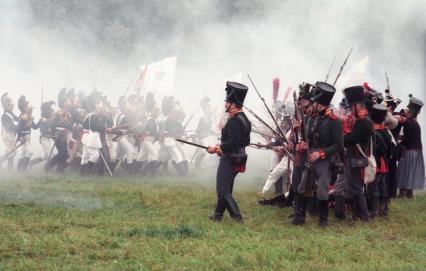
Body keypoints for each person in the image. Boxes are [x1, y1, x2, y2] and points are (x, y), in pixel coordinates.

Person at [292, 82, 343, 227]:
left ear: (319, 104)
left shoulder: (335, 121)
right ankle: (299, 217)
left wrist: (320, 154)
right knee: (303, 187)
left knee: (322, 190)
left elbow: (338, 145)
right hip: (310, 156)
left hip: (324, 159)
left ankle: (323, 220)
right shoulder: (311, 117)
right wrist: (298, 129)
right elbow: (307, 136)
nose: (310, 105)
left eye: (313, 102)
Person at [207, 81, 251, 223]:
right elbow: (245, 142)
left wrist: (218, 148)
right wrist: (222, 147)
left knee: (222, 190)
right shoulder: (244, 119)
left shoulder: (234, 121)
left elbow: (232, 142)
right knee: (226, 188)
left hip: (230, 158)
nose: (225, 105)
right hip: (237, 157)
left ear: (233, 104)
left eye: (228, 102)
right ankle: (218, 215)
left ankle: (237, 217)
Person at [343, 86, 373, 222]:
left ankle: (364, 216)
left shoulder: (362, 121)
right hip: (356, 156)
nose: (350, 110)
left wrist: (341, 138)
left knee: (356, 188)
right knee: (354, 187)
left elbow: (353, 139)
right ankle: (357, 215)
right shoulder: (364, 120)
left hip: (356, 157)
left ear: (357, 106)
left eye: (351, 107)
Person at [397, 94, 424, 198]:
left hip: (409, 150)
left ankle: (403, 192)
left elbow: (407, 140)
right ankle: (409, 192)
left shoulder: (408, 122)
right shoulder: (415, 122)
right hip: (416, 150)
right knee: (411, 171)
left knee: (405, 171)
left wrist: (400, 140)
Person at [1, 93, 19, 170]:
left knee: (10, 151)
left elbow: (17, 119)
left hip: (10, 134)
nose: (12, 106)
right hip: (7, 134)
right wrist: (19, 128)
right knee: (11, 152)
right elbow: (9, 127)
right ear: (6, 105)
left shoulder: (10, 113)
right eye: (10, 104)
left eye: (12, 104)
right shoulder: (4, 116)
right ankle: (10, 170)